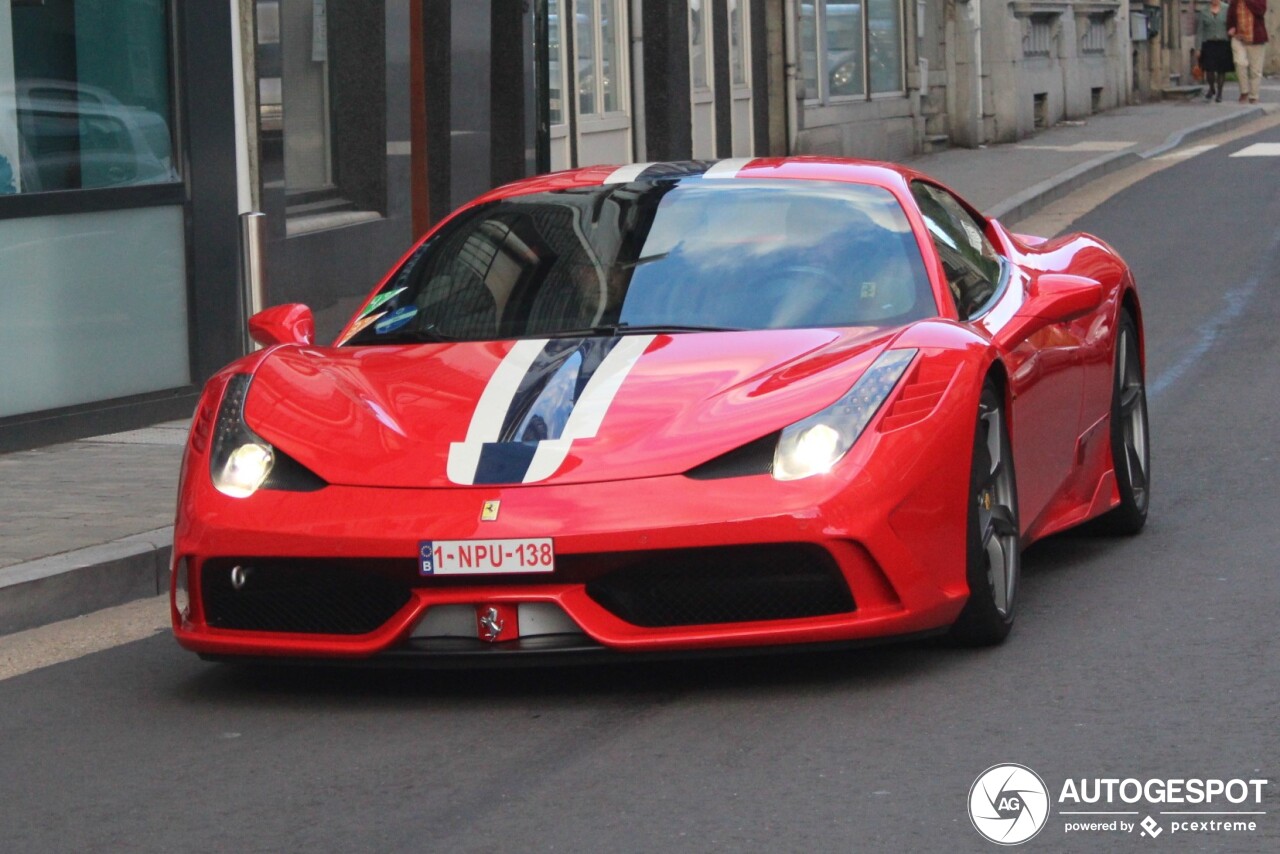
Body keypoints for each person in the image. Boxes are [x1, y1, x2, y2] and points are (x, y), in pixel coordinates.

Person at [1228, 0, 1269, 103]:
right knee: (1240, 63)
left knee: (1255, 70)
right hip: (1238, 38)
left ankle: (1254, 96)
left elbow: (1260, 11)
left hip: (1256, 38)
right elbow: (1230, 15)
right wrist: (1230, 27)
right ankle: (1244, 92)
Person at [1196, 0, 1234, 102]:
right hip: (1208, 43)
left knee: (1221, 70)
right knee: (1209, 69)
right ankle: (1212, 87)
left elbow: (1232, 23)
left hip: (1223, 43)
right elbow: (1200, 31)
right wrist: (1198, 48)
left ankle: (1220, 93)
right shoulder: (1203, 11)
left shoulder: (1227, 9)